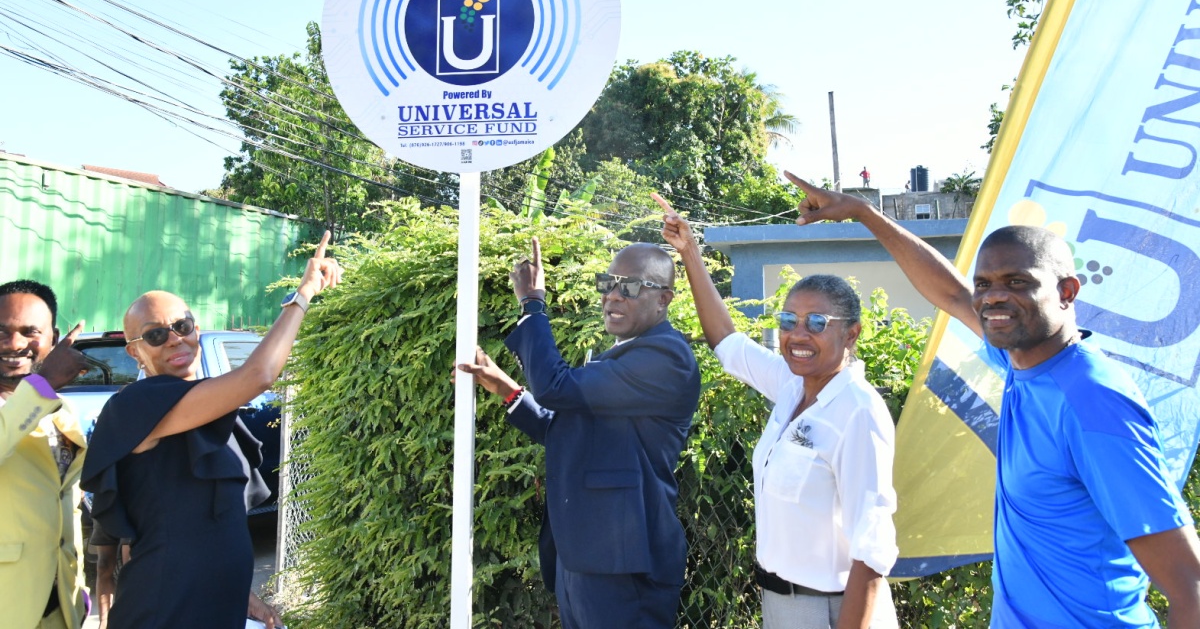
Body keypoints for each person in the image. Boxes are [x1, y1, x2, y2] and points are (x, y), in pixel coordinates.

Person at [785, 173, 1200, 628]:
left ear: (1066, 292)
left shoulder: (1093, 402)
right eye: (984, 284)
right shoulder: (1023, 359)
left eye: (1017, 282)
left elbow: (1191, 588)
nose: (994, 297)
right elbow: (950, 291)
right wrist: (863, 212)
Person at [653, 194, 899, 629]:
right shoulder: (792, 387)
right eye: (788, 321)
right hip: (783, 604)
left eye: (817, 323)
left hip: (832, 610)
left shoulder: (858, 412)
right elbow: (728, 343)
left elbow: (873, 551)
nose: (798, 334)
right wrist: (690, 251)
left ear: (852, 333)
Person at [81, 232, 340, 629]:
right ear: (134, 351)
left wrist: (243, 595)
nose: (174, 339)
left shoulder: (207, 407)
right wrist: (302, 294)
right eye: (155, 335)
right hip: (166, 607)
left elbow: (207, 524)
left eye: (181, 325)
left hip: (217, 603)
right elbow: (259, 374)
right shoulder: (134, 405)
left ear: (196, 328)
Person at [458, 239, 701, 629]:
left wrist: (533, 305)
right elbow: (568, 430)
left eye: (629, 286)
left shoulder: (665, 358)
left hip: (625, 565)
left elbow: (555, 387)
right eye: (607, 283)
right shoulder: (623, 356)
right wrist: (507, 390)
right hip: (585, 558)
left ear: (663, 299)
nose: (613, 296)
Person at [0, 279, 90, 629]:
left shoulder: (60, 408)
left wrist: (78, 589)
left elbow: (68, 500)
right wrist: (42, 385)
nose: (15, 344)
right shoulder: (42, 394)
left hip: (61, 608)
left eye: (30, 332)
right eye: (2, 332)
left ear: (53, 338)